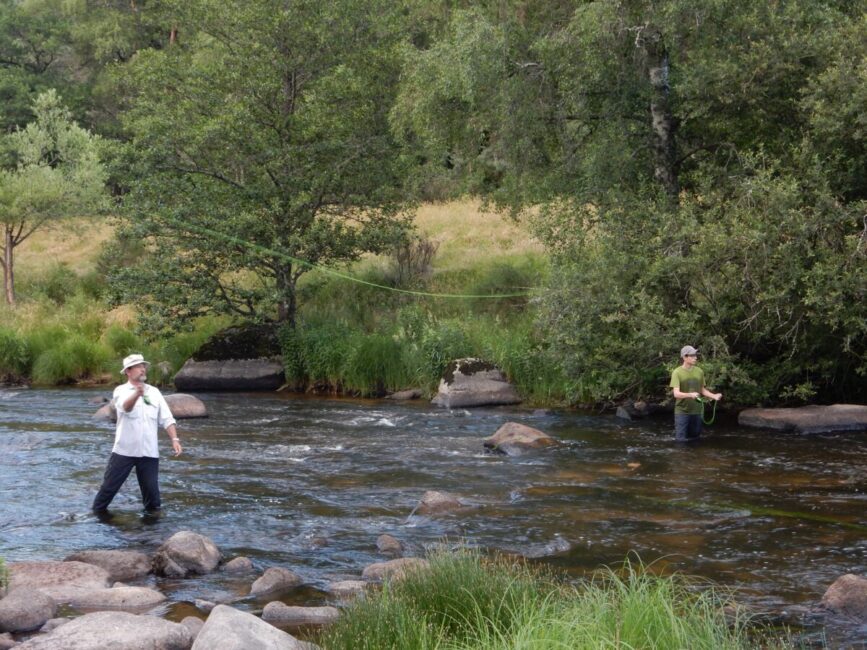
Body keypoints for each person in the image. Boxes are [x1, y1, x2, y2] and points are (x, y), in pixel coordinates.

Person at [92, 354, 182, 513]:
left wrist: (174, 439)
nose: (143, 369)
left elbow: (167, 418)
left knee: (153, 500)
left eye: (143, 365)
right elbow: (125, 408)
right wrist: (137, 394)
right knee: (107, 491)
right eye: (138, 366)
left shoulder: (154, 392)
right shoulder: (120, 390)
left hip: (149, 452)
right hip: (124, 451)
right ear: (128, 371)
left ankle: (151, 531)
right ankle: (96, 518)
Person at [669, 345, 722, 442]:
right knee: (680, 441)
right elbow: (676, 394)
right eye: (692, 355)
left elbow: (702, 390)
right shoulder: (677, 372)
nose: (695, 357)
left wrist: (714, 396)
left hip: (697, 411)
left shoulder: (699, 371)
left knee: (695, 440)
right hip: (682, 412)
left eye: (695, 355)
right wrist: (690, 395)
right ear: (684, 357)